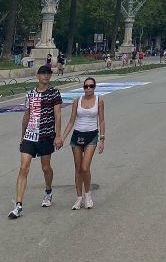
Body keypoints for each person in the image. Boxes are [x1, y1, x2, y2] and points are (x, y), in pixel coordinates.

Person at [8, 65, 63, 219]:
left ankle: (48, 191)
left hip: (46, 135)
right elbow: (26, 115)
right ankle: (18, 205)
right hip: (30, 136)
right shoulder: (30, 94)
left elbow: (57, 114)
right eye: (43, 73)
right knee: (23, 168)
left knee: (45, 167)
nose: (46, 76)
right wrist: (23, 135)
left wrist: (58, 135)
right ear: (37, 76)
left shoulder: (54, 93)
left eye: (48, 74)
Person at [60, 77, 105, 210]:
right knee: (78, 168)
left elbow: (102, 121)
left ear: (94, 87)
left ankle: (88, 195)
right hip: (77, 136)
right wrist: (62, 138)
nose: (88, 88)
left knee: (85, 167)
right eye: (86, 86)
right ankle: (79, 198)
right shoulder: (77, 101)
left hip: (91, 136)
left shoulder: (99, 100)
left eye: (91, 86)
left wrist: (102, 139)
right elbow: (71, 121)